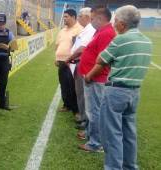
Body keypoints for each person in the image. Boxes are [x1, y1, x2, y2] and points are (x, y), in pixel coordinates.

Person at [86, 5, 152, 169]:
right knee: (129, 132)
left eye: (116, 21)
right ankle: (130, 166)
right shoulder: (147, 41)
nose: (114, 24)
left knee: (112, 133)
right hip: (134, 92)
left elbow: (101, 60)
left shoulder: (120, 39)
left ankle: (114, 167)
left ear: (122, 24)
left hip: (116, 91)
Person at [77, 6, 116, 152]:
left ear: (100, 18)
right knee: (91, 110)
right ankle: (90, 134)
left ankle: (95, 143)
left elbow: (103, 60)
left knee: (95, 111)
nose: (91, 21)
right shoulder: (101, 32)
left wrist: (90, 75)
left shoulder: (106, 33)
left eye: (92, 19)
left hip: (96, 79)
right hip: (93, 77)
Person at [65, 7, 96, 132]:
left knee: (83, 94)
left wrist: (69, 58)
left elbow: (82, 48)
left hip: (82, 64)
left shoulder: (90, 30)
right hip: (78, 63)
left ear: (87, 17)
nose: (78, 19)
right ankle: (83, 118)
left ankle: (85, 119)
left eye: (80, 16)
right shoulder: (86, 30)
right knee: (80, 93)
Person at [55, 9, 83, 115]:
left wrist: (71, 59)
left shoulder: (80, 30)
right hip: (61, 62)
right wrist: (56, 57)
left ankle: (76, 110)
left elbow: (80, 47)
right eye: (64, 16)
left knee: (73, 86)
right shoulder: (62, 30)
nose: (64, 18)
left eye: (66, 16)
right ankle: (66, 105)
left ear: (73, 17)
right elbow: (58, 45)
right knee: (64, 85)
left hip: (72, 62)